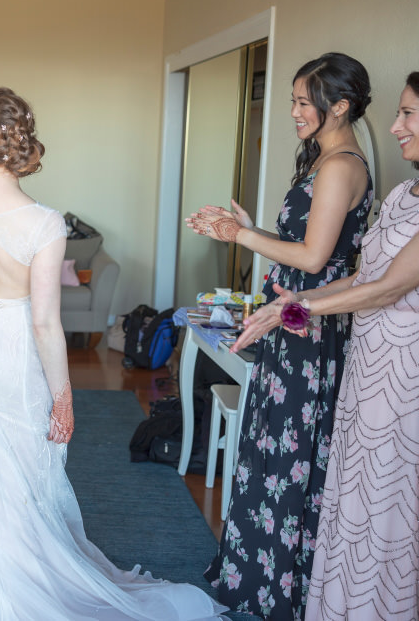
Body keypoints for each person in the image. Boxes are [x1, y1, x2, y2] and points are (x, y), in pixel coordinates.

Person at [0, 87, 226, 619]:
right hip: (15, 349)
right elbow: (46, 322)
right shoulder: (44, 221)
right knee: (18, 467)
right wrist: (63, 397)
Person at [188, 52, 373, 619]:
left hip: (309, 332)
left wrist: (242, 241)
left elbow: (317, 257)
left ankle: (278, 590)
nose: (292, 111)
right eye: (292, 99)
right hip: (293, 322)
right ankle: (255, 579)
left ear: (338, 106)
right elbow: (307, 248)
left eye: (301, 102)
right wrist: (250, 230)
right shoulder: (325, 160)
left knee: (289, 453)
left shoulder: (341, 166)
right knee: (268, 447)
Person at [232, 72, 419, 621]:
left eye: (408, 114)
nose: (394, 126)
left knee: (387, 503)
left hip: (401, 368)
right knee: (347, 490)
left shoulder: (344, 166)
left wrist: (290, 306)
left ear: (337, 106)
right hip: (364, 349)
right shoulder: (406, 193)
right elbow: (362, 273)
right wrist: (282, 308)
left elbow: (383, 285)